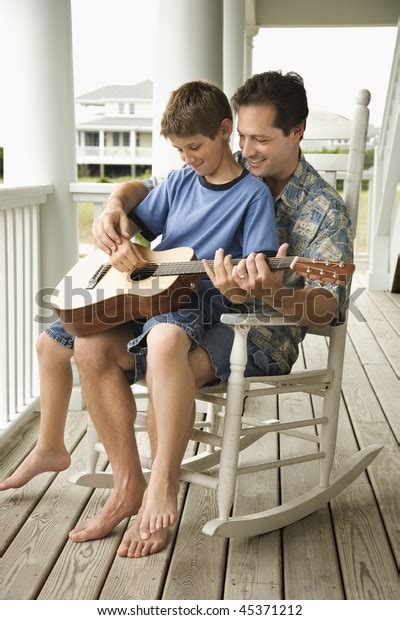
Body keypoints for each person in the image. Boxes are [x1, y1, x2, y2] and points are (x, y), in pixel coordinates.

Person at [0, 81, 279, 556]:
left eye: (196, 147)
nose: (188, 157)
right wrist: (122, 240)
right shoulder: (177, 182)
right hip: (142, 293)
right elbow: (138, 224)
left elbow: (256, 268)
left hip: (194, 300)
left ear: (225, 131)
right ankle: (99, 470)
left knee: (164, 338)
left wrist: (243, 282)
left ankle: (156, 482)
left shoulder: (252, 196)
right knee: (63, 339)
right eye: (179, 149)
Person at [85, 70, 352, 558]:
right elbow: (144, 191)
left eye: (262, 140)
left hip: (258, 331)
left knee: (169, 355)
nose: (247, 151)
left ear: (297, 131)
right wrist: (112, 205)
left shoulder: (324, 210)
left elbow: (327, 310)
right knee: (93, 345)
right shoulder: (210, 171)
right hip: (190, 307)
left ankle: (162, 482)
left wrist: (271, 292)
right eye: (243, 136)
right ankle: (128, 485)